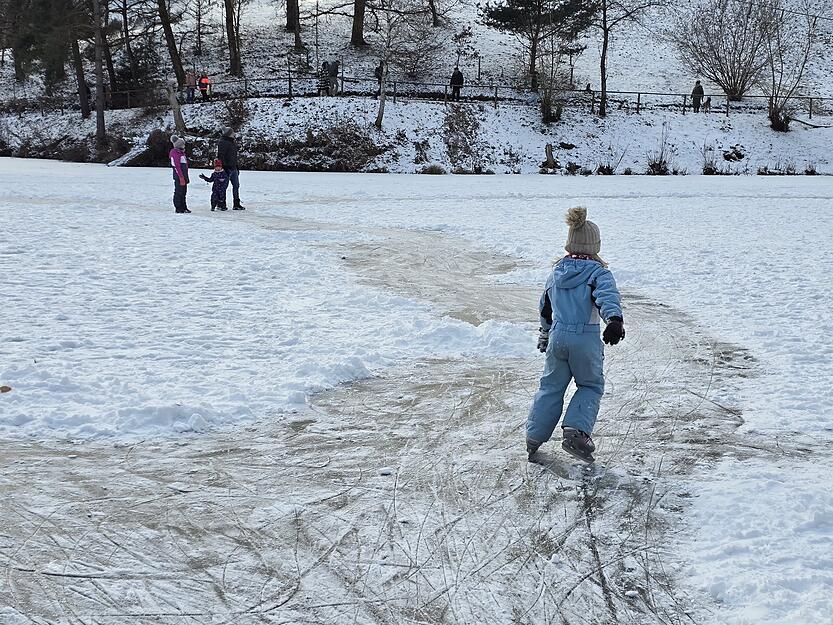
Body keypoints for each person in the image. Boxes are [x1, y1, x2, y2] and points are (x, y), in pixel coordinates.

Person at [526, 206, 624, 463]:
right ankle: (576, 432)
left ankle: (534, 435)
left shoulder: (555, 273)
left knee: (550, 387)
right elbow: (607, 297)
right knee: (590, 385)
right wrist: (614, 320)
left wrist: (545, 335)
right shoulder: (599, 273)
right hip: (585, 337)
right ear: (595, 246)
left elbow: (545, 308)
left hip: (558, 337)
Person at [218, 127, 245, 210]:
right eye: (232, 132)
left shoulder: (232, 142)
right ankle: (221, 203)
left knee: (236, 185)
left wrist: (236, 166)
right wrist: (224, 167)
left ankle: (236, 203)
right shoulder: (223, 142)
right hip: (227, 168)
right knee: (223, 187)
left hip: (233, 168)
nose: (234, 134)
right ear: (229, 133)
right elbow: (221, 156)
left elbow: (234, 157)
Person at [169, 135, 191, 213]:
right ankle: (178, 207)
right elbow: (177, 166)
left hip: (184, 176)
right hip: (179, 177)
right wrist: (181, 177)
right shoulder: (175, 153)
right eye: (183, 144)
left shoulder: (182, 153)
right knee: (178, 192)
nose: (184, 146)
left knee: (184, 192)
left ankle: (184, 207)